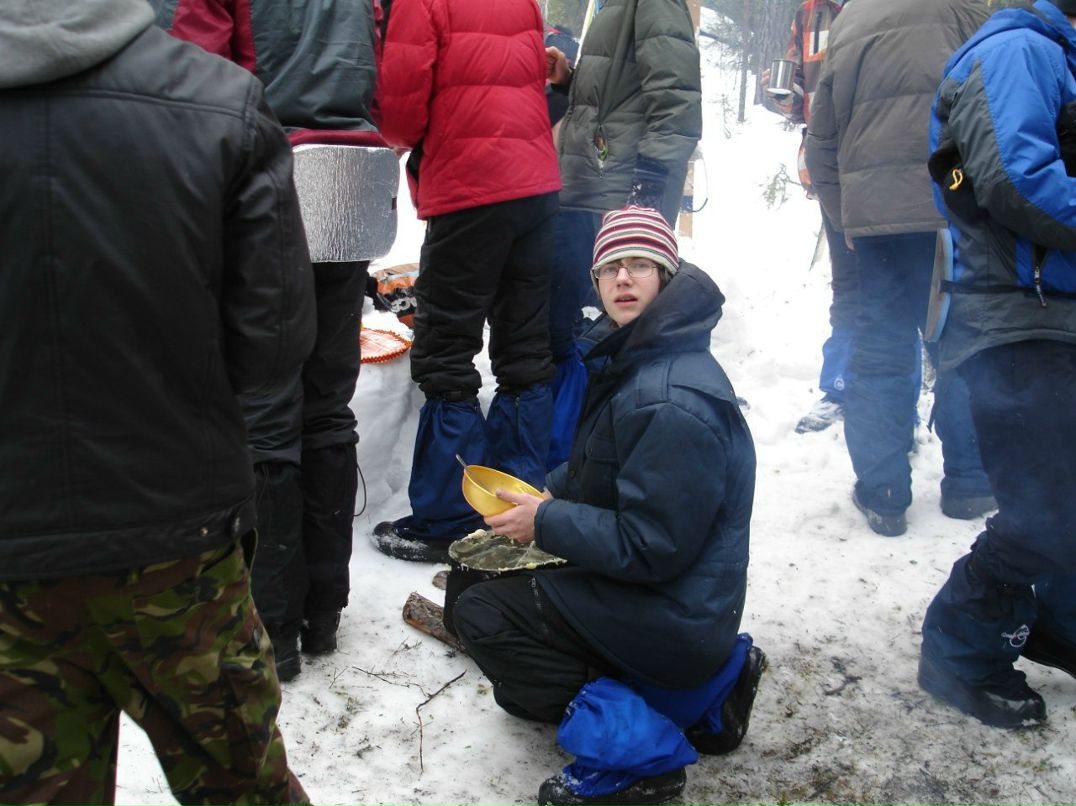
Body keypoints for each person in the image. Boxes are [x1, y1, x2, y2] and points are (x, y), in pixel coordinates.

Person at [0, 0, 314, 803]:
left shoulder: (222, 103)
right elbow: (273, 342)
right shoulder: (219, 102)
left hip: (16, 560)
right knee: (242, 786)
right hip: (176, 537)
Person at [451, 207, 765, 806]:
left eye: (640, 265)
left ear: (666, 276)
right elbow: (610, 464)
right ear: (595, 282)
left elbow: (653, 547)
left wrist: (545, 521)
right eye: (610, 268)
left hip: (676, 612)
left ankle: (637, 756)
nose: (623, 278)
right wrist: (552, 494)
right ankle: (710, 690)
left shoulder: (667, 396)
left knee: (485, 616)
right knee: (485, 609)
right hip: (680, 603)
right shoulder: (639, 356)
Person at [151, 0, 382, 678]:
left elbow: (191, 73)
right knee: (327, 406)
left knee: (268, 408)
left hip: (272, 171)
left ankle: (272, 626)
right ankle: (321, 612)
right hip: (353, 170)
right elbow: (383, 73)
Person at [918, 0, 1076, 729]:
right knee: (1046, 507)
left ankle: (1057, 624)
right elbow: (1015, 179)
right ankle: (958, 649)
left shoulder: (1052, 53)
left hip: (1048, 314)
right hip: (1013, 320)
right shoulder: (1019, 51)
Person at [370, 0, 562, 563]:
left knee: (446, 350)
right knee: (524, 348)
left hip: (470, 186)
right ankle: (517, 505)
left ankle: (448, 516)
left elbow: (400, 113)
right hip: (535, 186)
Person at [805, 0, 994, 537]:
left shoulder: (851, 21)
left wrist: (845, 217)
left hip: (876, 221)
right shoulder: (968, 12)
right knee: (963, 343)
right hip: (953, 211)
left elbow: (821, 141)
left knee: (881, 349)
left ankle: (884, 493)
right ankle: (971, 482)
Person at [544, 0, 702, 469]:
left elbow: (675, 97)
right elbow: (623, 91)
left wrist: (645, 192)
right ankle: (588, 443)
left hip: (618, 192)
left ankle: (639, 440)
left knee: (632, 322)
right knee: (592, 320)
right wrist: (571, 80)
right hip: (593, 185)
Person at [762, 0, 860, 434]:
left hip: (887, 157)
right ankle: (839, 387)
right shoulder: (810, 13)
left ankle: (897, 397)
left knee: (896, 282)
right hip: (831, 164)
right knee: (848, 281)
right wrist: (782, 92)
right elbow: (799, 96)